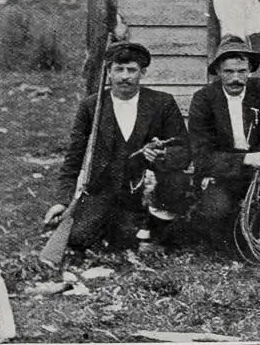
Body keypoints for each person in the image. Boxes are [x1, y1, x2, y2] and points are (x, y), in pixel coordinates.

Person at [44, 42, 191, 253]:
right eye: (118, 70)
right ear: (108, 72)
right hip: (104, 187)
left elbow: (183, 151)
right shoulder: (91, 106)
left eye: (132, 70)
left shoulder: (162, 103)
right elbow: (73, 158)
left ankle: (152, 231)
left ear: (143, 72)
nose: (125, 76)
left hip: (145, 188)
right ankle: (121, 228)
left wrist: (161, 155)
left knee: (130, 237)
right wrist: (62, 200)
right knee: (78, 237)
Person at [188, 36, 260, 250]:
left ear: (250, 70)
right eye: (228, 72)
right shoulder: (203, 99)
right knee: (216, 210)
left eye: (242, 71)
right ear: (218, 72)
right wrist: (245, 159)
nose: (236, 78)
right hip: (222, 173)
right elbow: (202, 156)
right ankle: (227, 247)